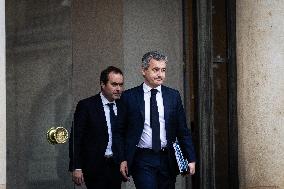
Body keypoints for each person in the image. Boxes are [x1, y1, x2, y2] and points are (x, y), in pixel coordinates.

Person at [113, 51, 196, 189]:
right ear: (144, 71)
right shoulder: (129, 97)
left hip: (167, 158)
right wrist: (122, 159)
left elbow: (182, 130)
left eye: (163, 70)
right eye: (155, 70)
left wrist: (191, 158)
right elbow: (119, 132)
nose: (160, 74)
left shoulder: (173, 96)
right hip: (142, 159)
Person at [69, 66, 124, 189]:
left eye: (121, 85)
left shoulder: (123, 105)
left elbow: (122, 135)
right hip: (94, 166)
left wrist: (123, 159)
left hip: (115, 166)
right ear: (102, 84)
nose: (118, 89)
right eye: (114, 84)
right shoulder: (86, 106)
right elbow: (76, 138)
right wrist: (76, 166)